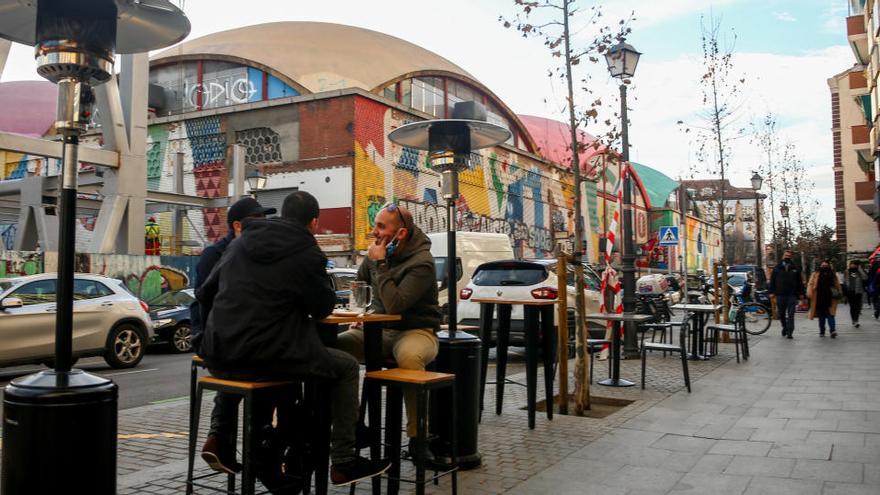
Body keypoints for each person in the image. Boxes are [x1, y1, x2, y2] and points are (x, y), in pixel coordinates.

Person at [197, 191, 390, 488]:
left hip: (219, 354)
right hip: (269, 357)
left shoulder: (241, 243)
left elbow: (204, 293)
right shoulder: (306, 251)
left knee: (283, 378)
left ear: (283, 215)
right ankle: (343, 461)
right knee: (347, 367)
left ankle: (230, 441)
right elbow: (322, 308)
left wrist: (219, 331)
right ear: (314, 222)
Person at [336, 203, 442, 462]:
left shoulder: (422, 262)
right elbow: (359, 286)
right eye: (375, 225)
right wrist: (361, 315)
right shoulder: (375, 255)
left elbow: (396, 305)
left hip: (416, 331)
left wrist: (381, 263)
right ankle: (352, 427)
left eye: (382, 227)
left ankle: (418, 437)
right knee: (333, 350)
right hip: (378, 330)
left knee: (409, 356)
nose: (375, 232)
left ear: (401, 234)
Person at [191, 197, 275, 475]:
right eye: (258, 222)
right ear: (238, 226)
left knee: (243, 367)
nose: (264, 227)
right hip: (215, 339)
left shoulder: (249, 252)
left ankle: (220, 440)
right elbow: (205, 300)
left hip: (229, 342)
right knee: (263, 370)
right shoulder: (217, 255)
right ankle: (259, 449)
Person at [768, 250, 806, 339]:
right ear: (783, 256)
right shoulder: (777, 268)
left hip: (792, 295)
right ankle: (785, 327)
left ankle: (790, 332)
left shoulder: (795, 268)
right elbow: (772, 281)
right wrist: (771, 292)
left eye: (789, 255)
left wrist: (801, 293)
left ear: (791, 257)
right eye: (786, 255)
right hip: (780, 294)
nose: (787, 257)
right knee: (781, 314)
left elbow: (800, 282)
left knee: (791, 314)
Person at [808, 260, 843, 338]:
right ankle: (822, 331)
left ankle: (832, 330)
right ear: (820, 266)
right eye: (823, 265)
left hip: (830, 298)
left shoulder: (833, 274)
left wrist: (840, 293)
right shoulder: (815, 274)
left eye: (826, 265)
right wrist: (809, 293)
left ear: (828, 266)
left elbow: (837, 285)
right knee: (821, 316)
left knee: (831, 315)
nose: (824, 267)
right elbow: (810, 284)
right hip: (819, 298)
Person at [845, 260, 868, 328]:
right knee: (852, 307)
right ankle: (853, 320)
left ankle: (856, 320)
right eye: (852, 264)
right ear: (850, 265)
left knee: (857, 307)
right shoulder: (847, 271)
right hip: (850, 291)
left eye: (855, 264)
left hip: (858, 291)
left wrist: (860, 269)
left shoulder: (859, 272)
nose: (853, 265)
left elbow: (865, 278)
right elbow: (845, 281)